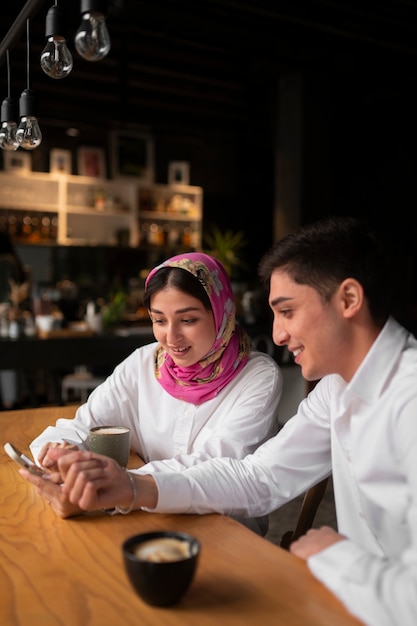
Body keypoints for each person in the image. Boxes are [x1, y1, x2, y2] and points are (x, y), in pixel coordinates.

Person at [21, 216, 417, 626]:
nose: (278, 335)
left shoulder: (409, 400)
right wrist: (130, 485)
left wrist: (337, 558)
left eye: (288, 311)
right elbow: (259, 478)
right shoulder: (336, 389)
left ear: (349, 299)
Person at [27, 251, 282, 534]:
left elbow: (216, 467)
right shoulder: (143, 363)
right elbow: (85, 424)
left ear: (222, 312)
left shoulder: (258, 377)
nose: (171, 338)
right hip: (147, 517)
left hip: (225, 530)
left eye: (188, 320)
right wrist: (62, 455)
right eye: (159, 321)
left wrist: (119, 486)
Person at [0, 231, 26, 409]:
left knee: (7, 361)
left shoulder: (5, 264)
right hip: (11, 317)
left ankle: (10, 403)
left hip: (5, 317)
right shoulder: (12, 262)